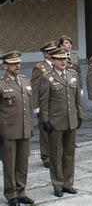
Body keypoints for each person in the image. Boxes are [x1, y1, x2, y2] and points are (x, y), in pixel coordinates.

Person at [38, 47, 83, 197]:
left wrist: (79, 115)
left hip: (71, 120)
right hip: (56, 122)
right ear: (53, 60)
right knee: (56, 155)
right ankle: (57, 185)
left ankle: (68, 183)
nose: (63, 61)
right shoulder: (46, 78)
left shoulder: (72, 74)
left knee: (69, 154)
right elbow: (43, 102)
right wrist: (45, 120)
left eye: (64, 59)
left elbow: (77, 98)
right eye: (59, 59)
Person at [0, 51, 35, 206]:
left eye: (18, 63)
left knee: (22, 163)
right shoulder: (1, 84)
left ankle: (21, 192)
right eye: (13, 64)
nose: (17, 66)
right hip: (8, 131)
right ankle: (11, 193)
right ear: (5, 66)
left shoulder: (25, 80)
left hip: (24, 128)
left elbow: (29, 105)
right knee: (9, 163)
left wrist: (30, 125)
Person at [31, 40, 56, 168]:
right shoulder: (39, 68)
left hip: (57, 106)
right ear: (46, 54)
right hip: (44, 105)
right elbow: (34, 88)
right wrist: (35, 106)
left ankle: (56, 155)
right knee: (45, 132)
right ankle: (46, 157)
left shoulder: (59, 66)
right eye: (52, 52)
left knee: (56, 131)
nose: (54, 54)